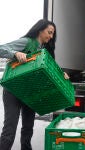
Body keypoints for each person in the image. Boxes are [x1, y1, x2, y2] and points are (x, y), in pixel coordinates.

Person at [0, 19, 69, 150]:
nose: (51, 36)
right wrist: (15, 53)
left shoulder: (44, 51)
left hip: (30, 93)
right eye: (49, 32)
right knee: (9, 130)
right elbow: (1, 48)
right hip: (13, 91)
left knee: (28, 129)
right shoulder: (27, 41)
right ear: (40, 30)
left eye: (53, 34)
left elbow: (48, 70)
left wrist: (61, 74)